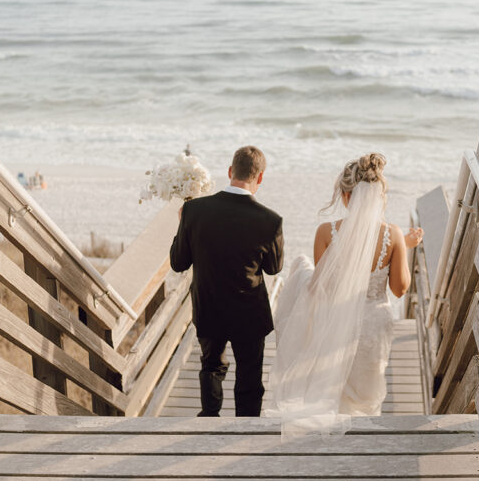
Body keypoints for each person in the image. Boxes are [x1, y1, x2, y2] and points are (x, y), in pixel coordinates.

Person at [266, 153, 422, 434]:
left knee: (333, 389)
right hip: (373, 324)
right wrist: (403, 249)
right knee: (367, 392)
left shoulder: (326, 232)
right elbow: (400, 289)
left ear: (344, 194)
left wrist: (301, 270)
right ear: (378, 195)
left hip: (335, 322)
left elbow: (318, 289)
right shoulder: (394, 234)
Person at [169, 146, 284, 417]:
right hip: (250, 312)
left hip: (209, 307)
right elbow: (273, 268)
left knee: (211, 366)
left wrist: (181, 226)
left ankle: (210, 420)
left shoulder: (194, 210)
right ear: (261, 177)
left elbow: (178, 263)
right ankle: (246, 431)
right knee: (250, 377)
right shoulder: (271, 221)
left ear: (230, 171)